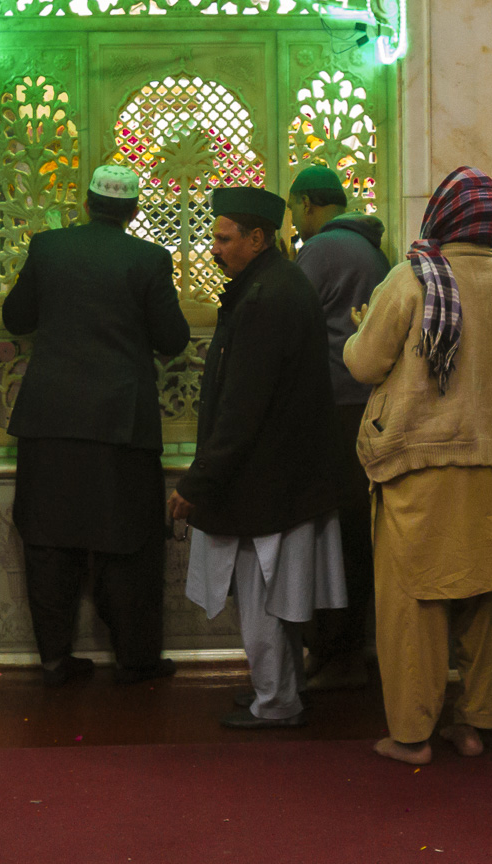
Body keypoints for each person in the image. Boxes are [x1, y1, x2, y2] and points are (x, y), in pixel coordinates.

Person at [345, 167, 492, 766]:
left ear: (440, 214)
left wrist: (362, 329)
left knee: (416, 605)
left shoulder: (410, 280)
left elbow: (363, 364)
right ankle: (472, 726)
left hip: (418, 465)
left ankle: (411, 736)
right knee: (485, 603)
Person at [1, 163, 191, 687]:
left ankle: (55, 659)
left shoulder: (47, 248)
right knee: (128, 544)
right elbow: (173, 339)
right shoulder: (149, 259)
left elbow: (16, 318)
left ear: (86, 204)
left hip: (49, 422)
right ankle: (135, 660)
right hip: (120, 425)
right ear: (133, 211)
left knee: (48, 542)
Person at [171, 186, 346, 729]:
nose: (214, 248)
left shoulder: (267, 297)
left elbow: (242, 409)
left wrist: (197, 483)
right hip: (280, 478)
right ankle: (281, 691)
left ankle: (277, 703)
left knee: (265, 598)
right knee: (278, 598)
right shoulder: (269, 285)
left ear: (256, 237)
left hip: (266, 483)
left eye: (224, 239)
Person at [287, 163, 391, 693]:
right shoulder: (373, 249)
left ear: (307, 203)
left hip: (333, 410)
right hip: (370, 408)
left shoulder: (322, 250)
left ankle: (333, 648)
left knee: (330, 534)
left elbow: (291, 318)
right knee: (355, 532)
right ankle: (351, 645)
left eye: (294, 212)